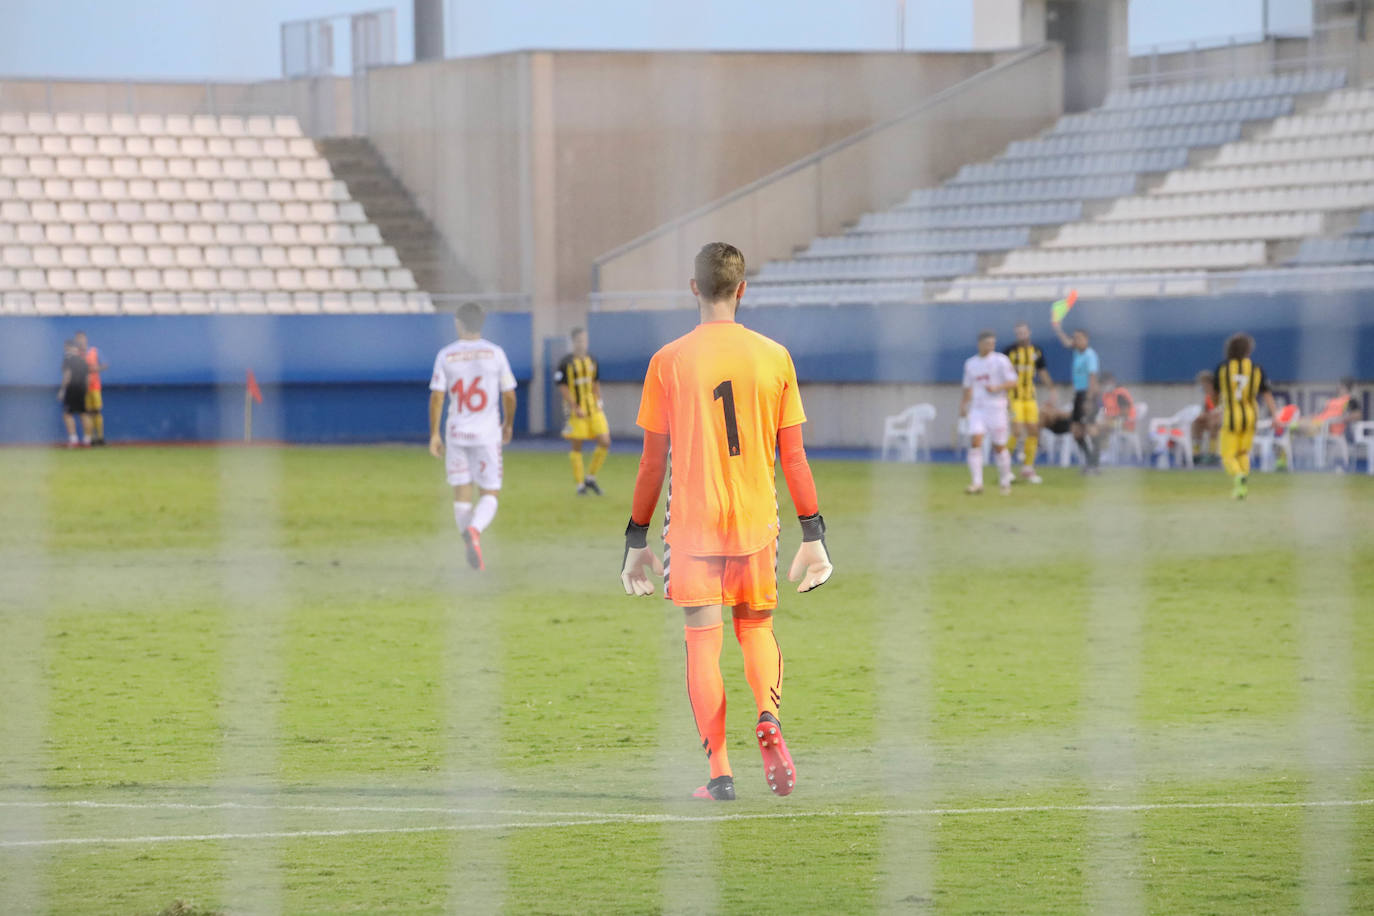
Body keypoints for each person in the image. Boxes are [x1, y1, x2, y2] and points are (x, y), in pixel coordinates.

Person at [620, 242, 832, 802]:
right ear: (743, 289)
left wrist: (635, 537)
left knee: (701, 642)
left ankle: (720, 773)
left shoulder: (668, 361)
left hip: (693, 526)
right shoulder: (775, 356)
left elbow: (650, 462)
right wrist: (814, 534)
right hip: (757, 518)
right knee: (757, 628)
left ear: (693, 288)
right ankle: (768, 715)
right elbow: (795, 459)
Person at [428, 302, 518, 570]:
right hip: (487, 434)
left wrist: (434, 433)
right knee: (490, 492)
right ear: (483, 322)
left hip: (456, 433)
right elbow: (510, 394)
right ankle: (475, 531)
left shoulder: (446, 355)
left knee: (461, 494)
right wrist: (508, 424)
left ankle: (470, 542)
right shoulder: (495, 354)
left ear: (458, 323)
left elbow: (437, 397)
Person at [1213, 332, 1279, 500]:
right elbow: (1267, 394)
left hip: (1231, 416)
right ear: (1248, 350)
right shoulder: (1257, 369)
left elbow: (1215, 394)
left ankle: (1238, 477)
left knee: (1228, 455)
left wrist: (1217, 406)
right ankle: (1241, 488)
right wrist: (1275, 416)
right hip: (1251, 416)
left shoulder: (1223, 368)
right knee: (1243, 453)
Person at [959, 330, 1018, 495]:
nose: (990, 346)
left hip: (997, 407)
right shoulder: (971, 363)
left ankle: (1005, 481)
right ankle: (977, 483)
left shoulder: (1001, 361)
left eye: (992, 343)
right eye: (987, 343)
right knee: (975, 441)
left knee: (999, 447)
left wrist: (997, 388)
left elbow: (1013, 382)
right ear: (980, 344)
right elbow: (968, 387)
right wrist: (964, 405)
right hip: (978, 408)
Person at [555, 327, 611, 495]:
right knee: (577, 446)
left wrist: (599, 400)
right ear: (573, 342)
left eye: (585, 340)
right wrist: (574, 406)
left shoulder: (592, 360)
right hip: (576, 410)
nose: (582, 343)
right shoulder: (565, 363)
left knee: (605, 441)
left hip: (593, 408)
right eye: (579, 340)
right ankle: (580, 484)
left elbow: (595, 382)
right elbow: (563, 386)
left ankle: (590, 478)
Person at [1003, 321, 1054, 483]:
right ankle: (1005, 468)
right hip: (1014, 397)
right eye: (1018, 333)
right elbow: (1002, 374)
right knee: (1016, 431)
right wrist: (1003, 397)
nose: (1021, 335)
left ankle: (1027, 468)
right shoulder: (1009, 351)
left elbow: (1042, 372)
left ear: (1029, 332)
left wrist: (1052, 390)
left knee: (1033, 431)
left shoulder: (1036, 351)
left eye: (1023, 332)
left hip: (1030, 397)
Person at [1051, 321, 1100, 472]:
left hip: (1087, 394)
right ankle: (1089, 461)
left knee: (1090, 429)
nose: (1075, 340)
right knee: (1075, 430)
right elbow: (1066, 343)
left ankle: (1094, 464)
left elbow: (1093, 378)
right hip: (1079, 394)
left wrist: (1089, 400)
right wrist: (1058, 328)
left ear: (1086, 339)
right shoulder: (1077, 352)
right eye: (1075, 338)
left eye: (1079, 338)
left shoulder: (1089, 355)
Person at [75, 331, 109, 446]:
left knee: (96, 411)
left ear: (86, 340)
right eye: (78, 339)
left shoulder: (94, 351)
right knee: (86, 413)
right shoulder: (75, 355)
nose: (80, 341)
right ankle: (90, 438)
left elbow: (105, 364)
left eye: (82, 339)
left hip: (94, 386)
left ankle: (100, 437)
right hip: (83, 388)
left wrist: (94, 369)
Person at [57, 338, 89, 448]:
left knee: (67, 414)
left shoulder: (67, 359)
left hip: (71, 388)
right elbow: (87, 377)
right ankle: (87, 440)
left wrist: (62, 390)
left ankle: (73, 440)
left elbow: (67, 375)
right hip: (82, 388)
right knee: (83, 413)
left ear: (68, 347)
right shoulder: (83, 360)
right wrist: (85, 389)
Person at [1191, 369, 1222, 464]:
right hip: (1210, 419)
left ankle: (1213, 453)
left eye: (1204, 383)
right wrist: (1202, 415)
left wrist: (1211, 414)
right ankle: (1196, 453)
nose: (1203, 386)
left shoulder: (1220, 393)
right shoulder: (1207, 396)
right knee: (1197, 423)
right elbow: (1206, 410)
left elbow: (1222, 408)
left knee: (1214, 421)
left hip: (1221, 421)